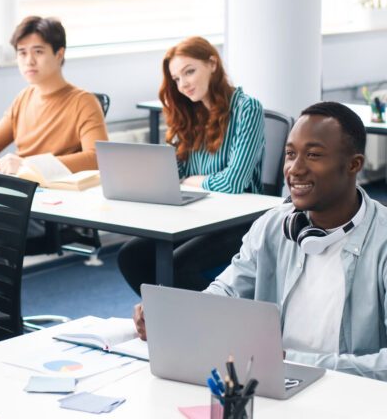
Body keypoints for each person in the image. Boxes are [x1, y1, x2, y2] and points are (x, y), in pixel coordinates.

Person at [133, 102, 387, 379]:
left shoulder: (381, 240)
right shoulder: (274, 226)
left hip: (349, 394)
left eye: (313, 154)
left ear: (354, 165)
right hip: (272, 383)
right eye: (290, 154)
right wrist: (174, 316)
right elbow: (226, 293)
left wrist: (293, 361)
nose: (295, 169)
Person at [117, 36, 265, 294]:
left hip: (241, 221)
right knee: (130, 256)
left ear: (212, 64)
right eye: (176, 79)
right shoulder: (192, 113)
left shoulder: (246, 108)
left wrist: (191, 181)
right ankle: (168, 316)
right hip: (199, 216)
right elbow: (175, 176)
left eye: (189, 72)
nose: (183, 84)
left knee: (176, 267)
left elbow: (233, 183)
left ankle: (216, 319)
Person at [0, 15, 108, 176]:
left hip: (56, 193)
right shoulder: (24, 97)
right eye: (22, 53)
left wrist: (29, 165)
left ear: (59, 54)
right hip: (20, 185)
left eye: (38, 52)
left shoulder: (84, 102)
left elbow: (96, 158)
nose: (29, 61)